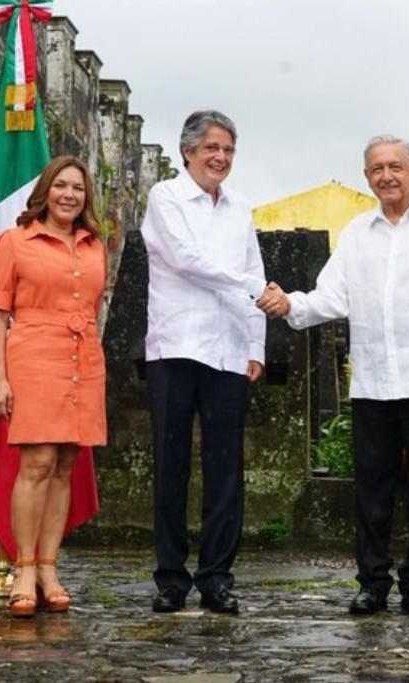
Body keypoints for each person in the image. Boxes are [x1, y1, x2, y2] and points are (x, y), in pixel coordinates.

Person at [258, 135, 409, 617]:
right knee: (372, 489)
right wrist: (289, 304)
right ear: (367, 177)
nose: (387, 176)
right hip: (374, 381)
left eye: (395, 167)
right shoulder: (357, 233)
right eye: (377, 169)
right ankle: (373, 582)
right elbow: (330, 296)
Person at [141, 110, 267, 615]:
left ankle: (216, 575)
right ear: (188, 150)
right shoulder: (166, 198)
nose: (220, 158)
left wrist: (256, 346)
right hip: (175, 346)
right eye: (211, 148)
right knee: (171, 465)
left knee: (226, 469)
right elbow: (185, 259)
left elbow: (254, 269)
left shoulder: (240, 208)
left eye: (229, 150)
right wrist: (250, 287)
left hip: (228, 349)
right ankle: (171, 577)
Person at [0, 155, 107, 618]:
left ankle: (51, 566)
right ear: (45, 192)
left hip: (85, 357)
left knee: (65, 463)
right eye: (61, 186)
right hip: (33, 354)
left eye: (78, 187)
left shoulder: (95, 245)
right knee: (36, 462)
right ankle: (25, 567)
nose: (69, 195)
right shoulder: (14, 242)